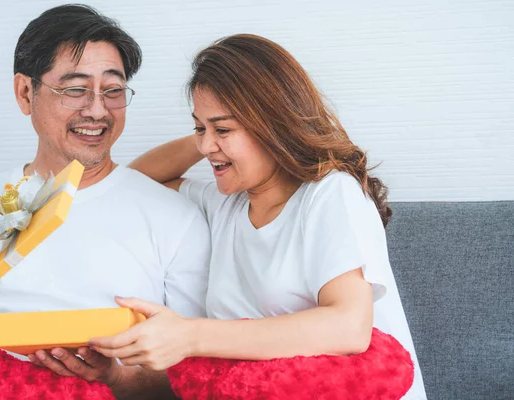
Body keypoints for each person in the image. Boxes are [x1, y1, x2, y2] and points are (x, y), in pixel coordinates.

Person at [90, 34, 427, 399]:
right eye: (198, 128)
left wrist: (189, 335)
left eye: (223, 129)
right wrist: (214, 135)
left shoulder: (331, 194)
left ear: (273, 126)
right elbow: (136, 182)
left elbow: (348, 327)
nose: (205, 146)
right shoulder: (225, 204)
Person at [0, 4, 210, 399]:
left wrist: (116, 378)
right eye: (75, 89)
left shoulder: (177, 217)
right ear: (25, 92)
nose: (97, 109)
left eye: (114, 90)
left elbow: (193, 374)